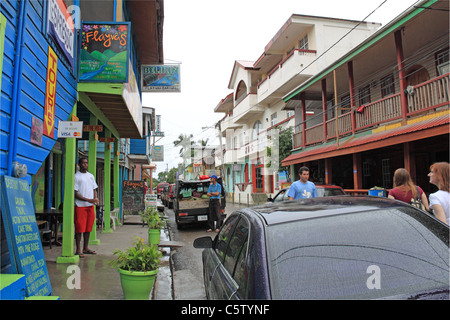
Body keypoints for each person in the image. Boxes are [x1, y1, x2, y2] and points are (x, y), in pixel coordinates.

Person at [74, 158, 99, 257]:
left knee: (88, 228)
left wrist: (95, 198)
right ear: (79, 164)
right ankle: (78, 249)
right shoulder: (76, 176)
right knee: (80, 228)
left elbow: (94, 189)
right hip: (80, 206)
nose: (85, 164)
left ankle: (85, 247)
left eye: (86, 163)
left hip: (90, 206)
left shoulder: (91, 176)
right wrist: (89, 200)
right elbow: (76, 193)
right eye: (83, 163)